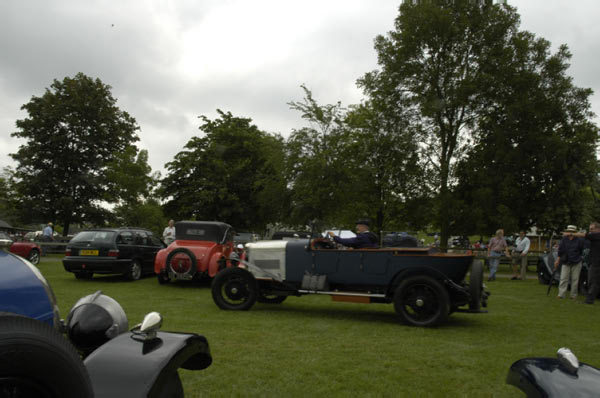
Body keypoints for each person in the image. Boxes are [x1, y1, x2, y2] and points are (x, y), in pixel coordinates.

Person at [571, 222, 600, 304]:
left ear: (598, 229)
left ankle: (589, 300)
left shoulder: (597, 235)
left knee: (592, 281)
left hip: (596, 264)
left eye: (592, 229)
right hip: (594, 262)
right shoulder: (595, 237)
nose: (590, 231)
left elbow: (584, 235)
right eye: (589, 229)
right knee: (593, 282)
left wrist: (571, 233)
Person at [554, 225, 585, 299]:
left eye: (572, 231)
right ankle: (561, 294)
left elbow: (581, 250)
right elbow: (560, 250)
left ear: (574, 232)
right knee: (563, 278)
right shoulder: (564, 239)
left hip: (576, 261)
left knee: (575, 279)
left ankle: (573, 295)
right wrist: (557, 260)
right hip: (566, 261)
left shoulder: (579, 240)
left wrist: (579, 257)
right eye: (569, 231)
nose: (570, 233)